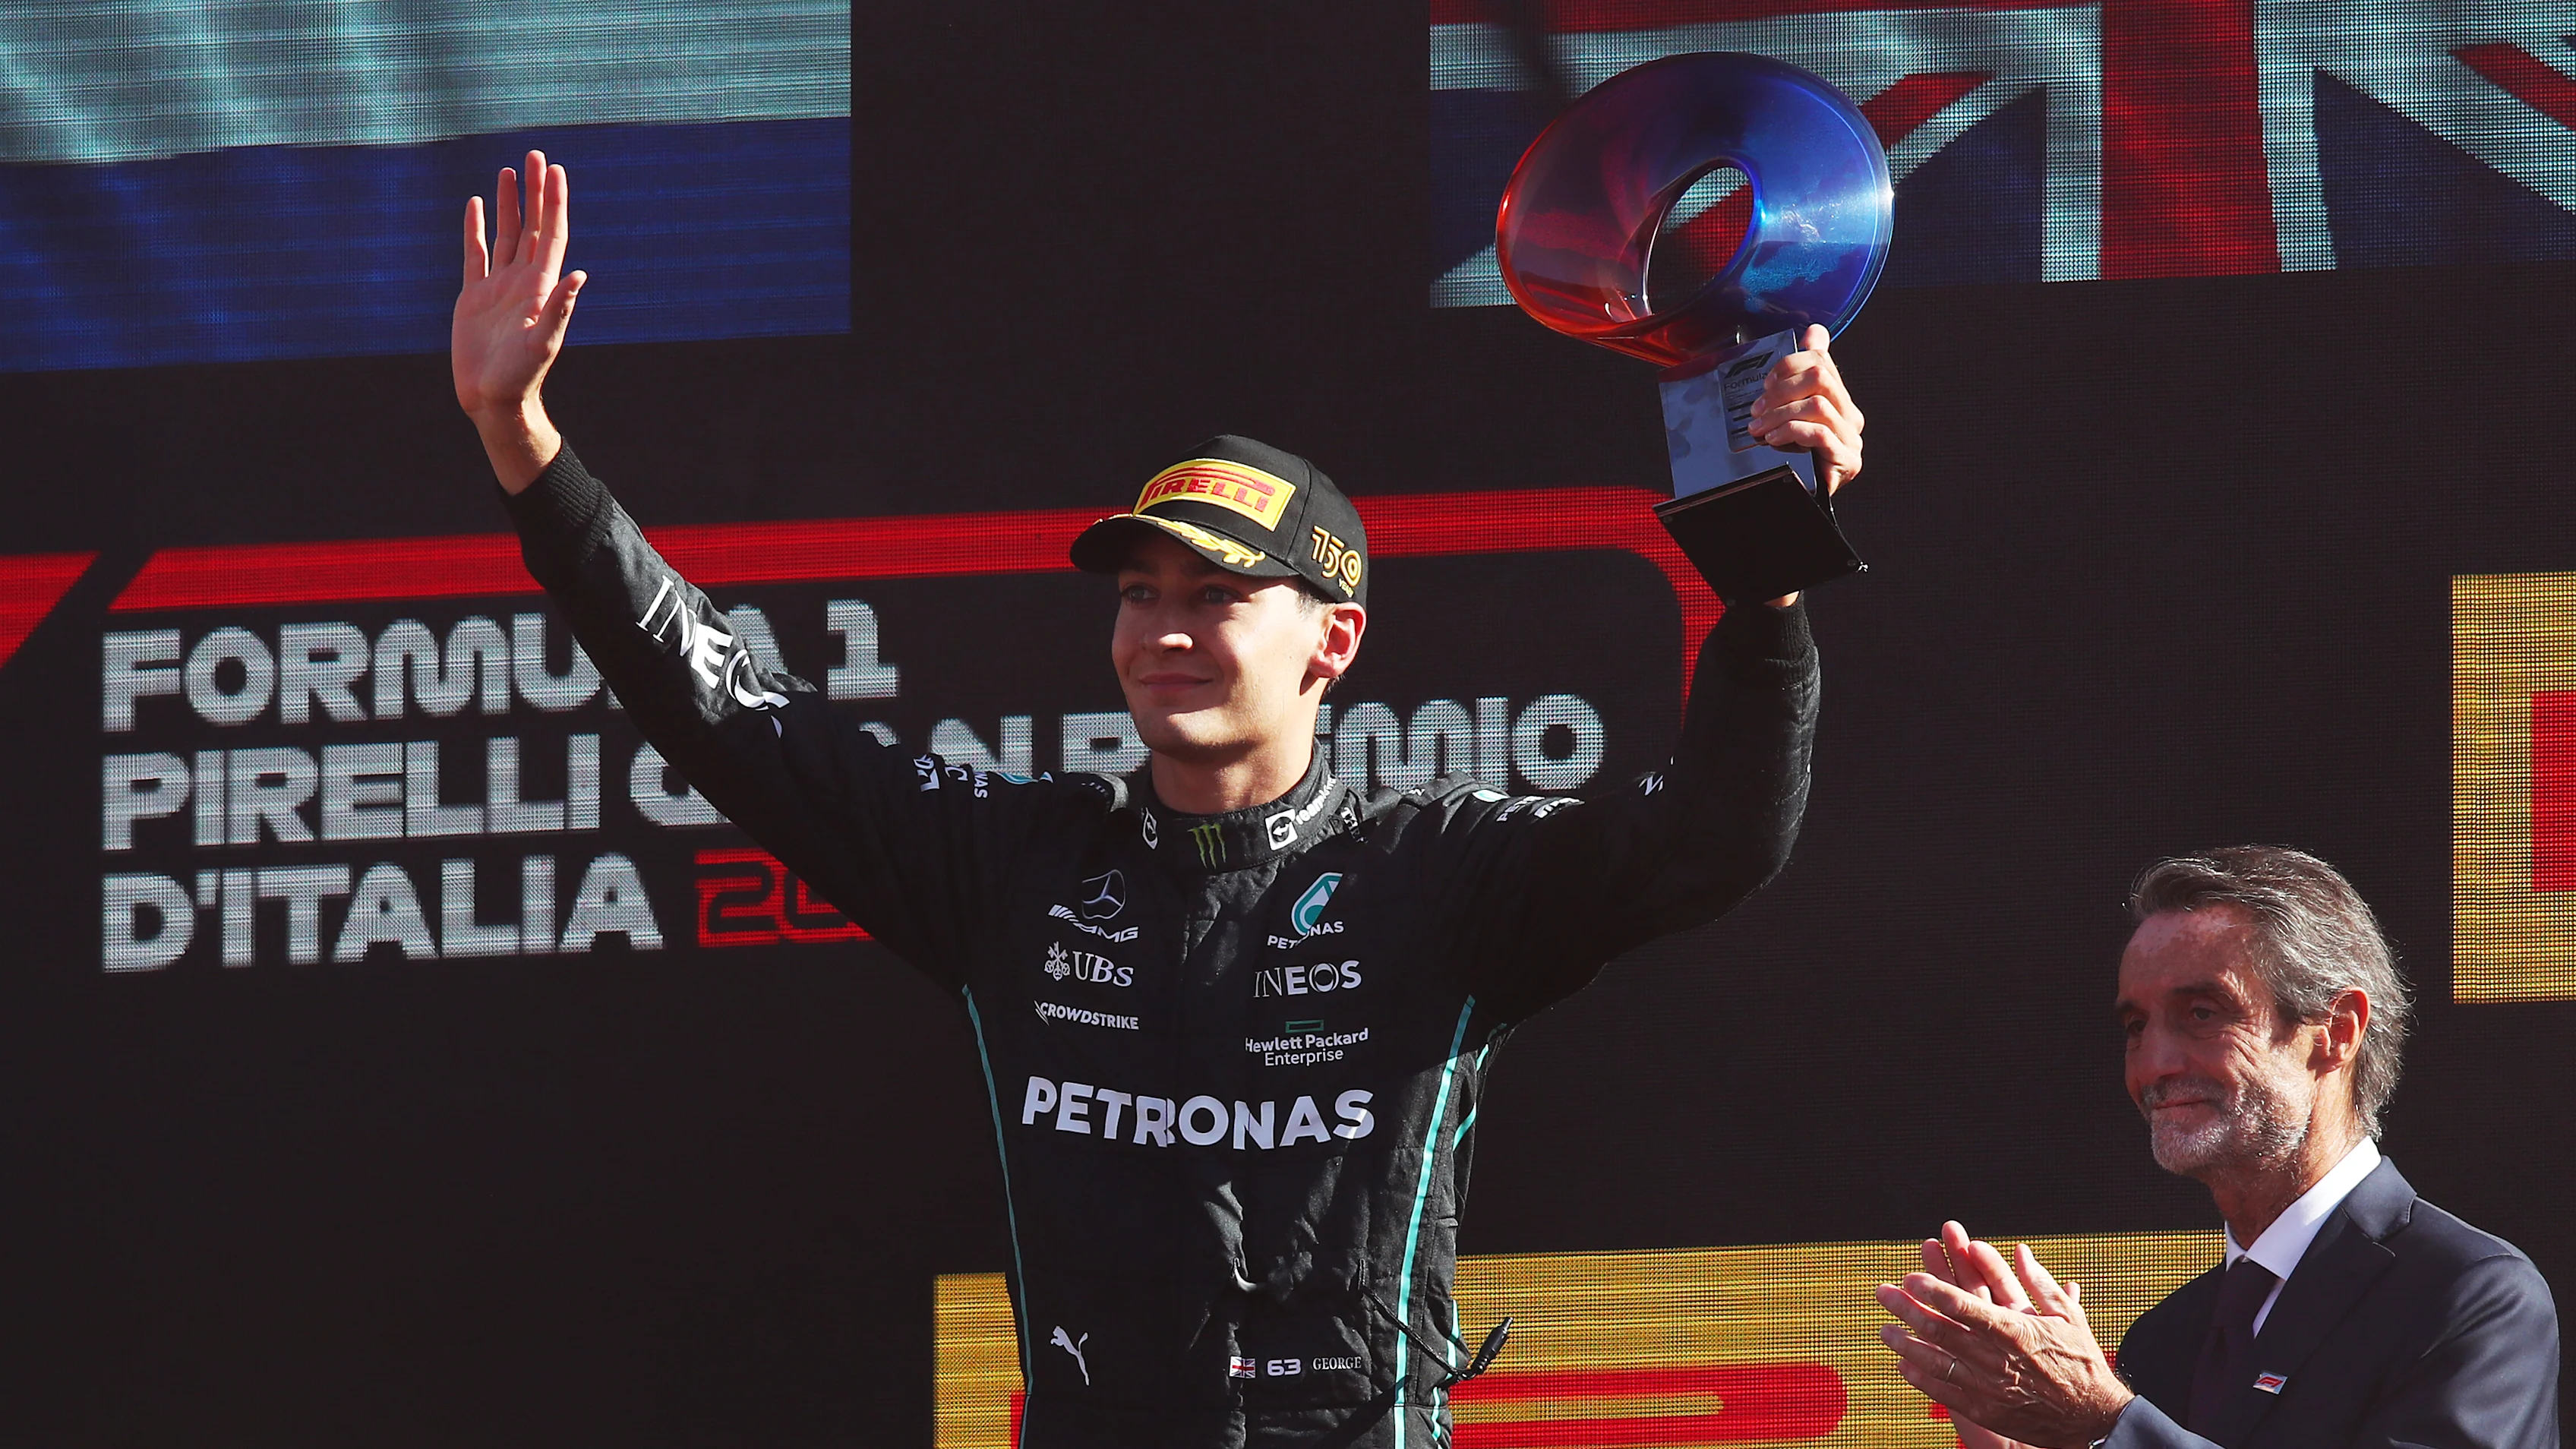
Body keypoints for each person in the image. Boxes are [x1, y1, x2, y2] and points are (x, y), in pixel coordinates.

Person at [452, 152, 1861, 1447]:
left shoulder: (1440, 874)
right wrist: (521, 438)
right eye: (1139, 592)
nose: (1162, 630)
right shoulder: (1012, 863)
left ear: (1333, 640)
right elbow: (731, 713)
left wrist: (1767, 580)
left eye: (1216, 594)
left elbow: (1718, 836)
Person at [1874, 846, 2559, 1449]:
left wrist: (2110, 1425)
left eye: (2202, 1014)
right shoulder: (2166, 1338)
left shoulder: (2469, 1297)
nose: (2155, 1065)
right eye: (2136, 1027)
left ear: (2336, 1033)